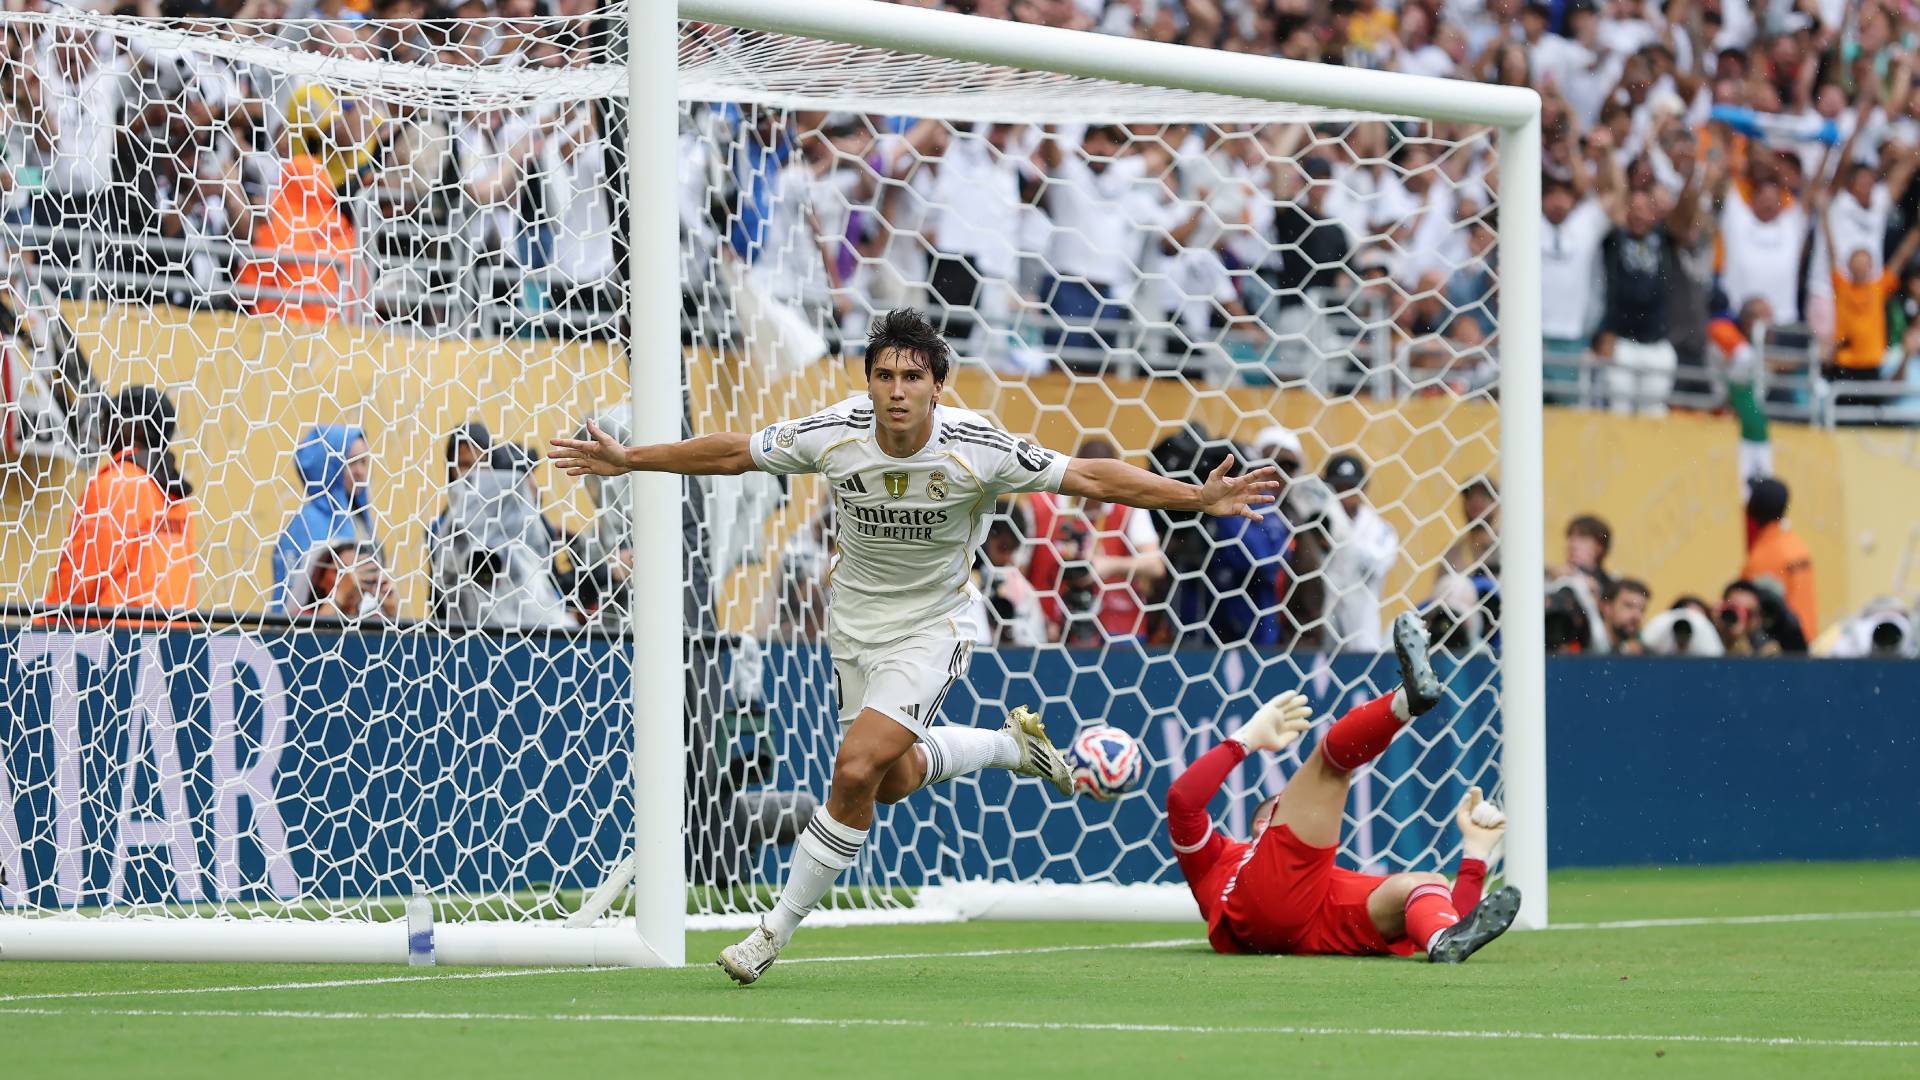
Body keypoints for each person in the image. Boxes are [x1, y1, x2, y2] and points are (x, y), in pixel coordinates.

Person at [551, 307, 1279, 984]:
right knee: (887, 780)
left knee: (854, 765)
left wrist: (1196, 498)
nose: (897, 392)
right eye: (884, 376)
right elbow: (735, 454)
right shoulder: (835, 431)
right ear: (868, 381)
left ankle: (769, 933)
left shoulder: (977, 445)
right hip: (853, 625)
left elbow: (1088, 473)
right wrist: (632, 460)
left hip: (933, 627)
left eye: (912, 377)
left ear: (938, 385)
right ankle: (1007, 748)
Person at [1165, 613, 1521, 962]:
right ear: (1264, 823)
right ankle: (1404, 701)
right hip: (1263, 906)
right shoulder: (1219, 860)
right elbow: (1183, 800)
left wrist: (1475, 854)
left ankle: (1437, 942)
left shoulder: (1311, 879)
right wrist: (1244, 740)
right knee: (1329, 765)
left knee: (1424, 887)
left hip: (1312, 924)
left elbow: (1457, 916)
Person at [42, 385, 196, 613]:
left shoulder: (118, 484)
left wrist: (40, 629)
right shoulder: (179, 499)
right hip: (174, 642)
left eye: (110, 417)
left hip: (115, 641)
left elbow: (80, 578)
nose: (103, 428)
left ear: (135, 427)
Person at [1025, 437, 1169, 645]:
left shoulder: (1128, 508)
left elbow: (1155, 565)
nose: (1100, 493)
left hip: (1118, 629)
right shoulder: (1042, 506)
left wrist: (1108, 566)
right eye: (1094, 483)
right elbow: (1016, 569)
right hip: (1047, 628)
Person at [272, 424, 380, 613]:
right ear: (330, 464)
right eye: (352, 462)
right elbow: (290, 601)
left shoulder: (363, 521)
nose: (360, 471)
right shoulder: (305, 523)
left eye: (364, 462)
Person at [1740, 478, 1816, 639]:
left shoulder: (1762, 556)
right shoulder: (1796, 543)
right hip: (1804, 640)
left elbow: (1754, 613)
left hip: (1783, 649)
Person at [1598, 577, 1650, 654]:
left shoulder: (1644, 655)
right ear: (1606, 607)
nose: (1637, 616)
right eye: (1629, 606)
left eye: (1642, 610)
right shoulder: (1585, 643)